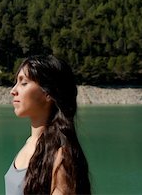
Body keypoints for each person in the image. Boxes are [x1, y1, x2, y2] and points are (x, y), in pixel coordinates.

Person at [5, 55, 91, 195]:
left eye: (24, 83)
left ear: (48, 93)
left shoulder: (61, 155)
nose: (13, 90)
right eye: (16, 82)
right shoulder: (29, 143)